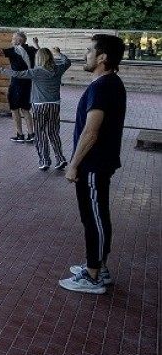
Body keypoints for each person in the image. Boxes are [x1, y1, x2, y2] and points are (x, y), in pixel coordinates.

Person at [59, 34, 127, 295]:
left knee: (94, 218)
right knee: (96, 216)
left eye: (89, 51)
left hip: (93, 165)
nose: (85, 55)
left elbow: (91, 131)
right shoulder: (111, 83)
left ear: (102, 58)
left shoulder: (101, 87)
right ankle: (98, 265)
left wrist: (74, 164)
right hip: (98, 163)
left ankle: (92, 275)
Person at [0, 47, 72, 170]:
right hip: (54, 105)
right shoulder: (58, 69)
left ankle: (44, 160)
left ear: (38, 58)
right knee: (53, 132)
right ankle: (60, 159)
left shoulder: (36, 72)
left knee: (40, 134)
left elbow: (16, 74)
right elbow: (67, 62)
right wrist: (59, 53)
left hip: (39, 106)